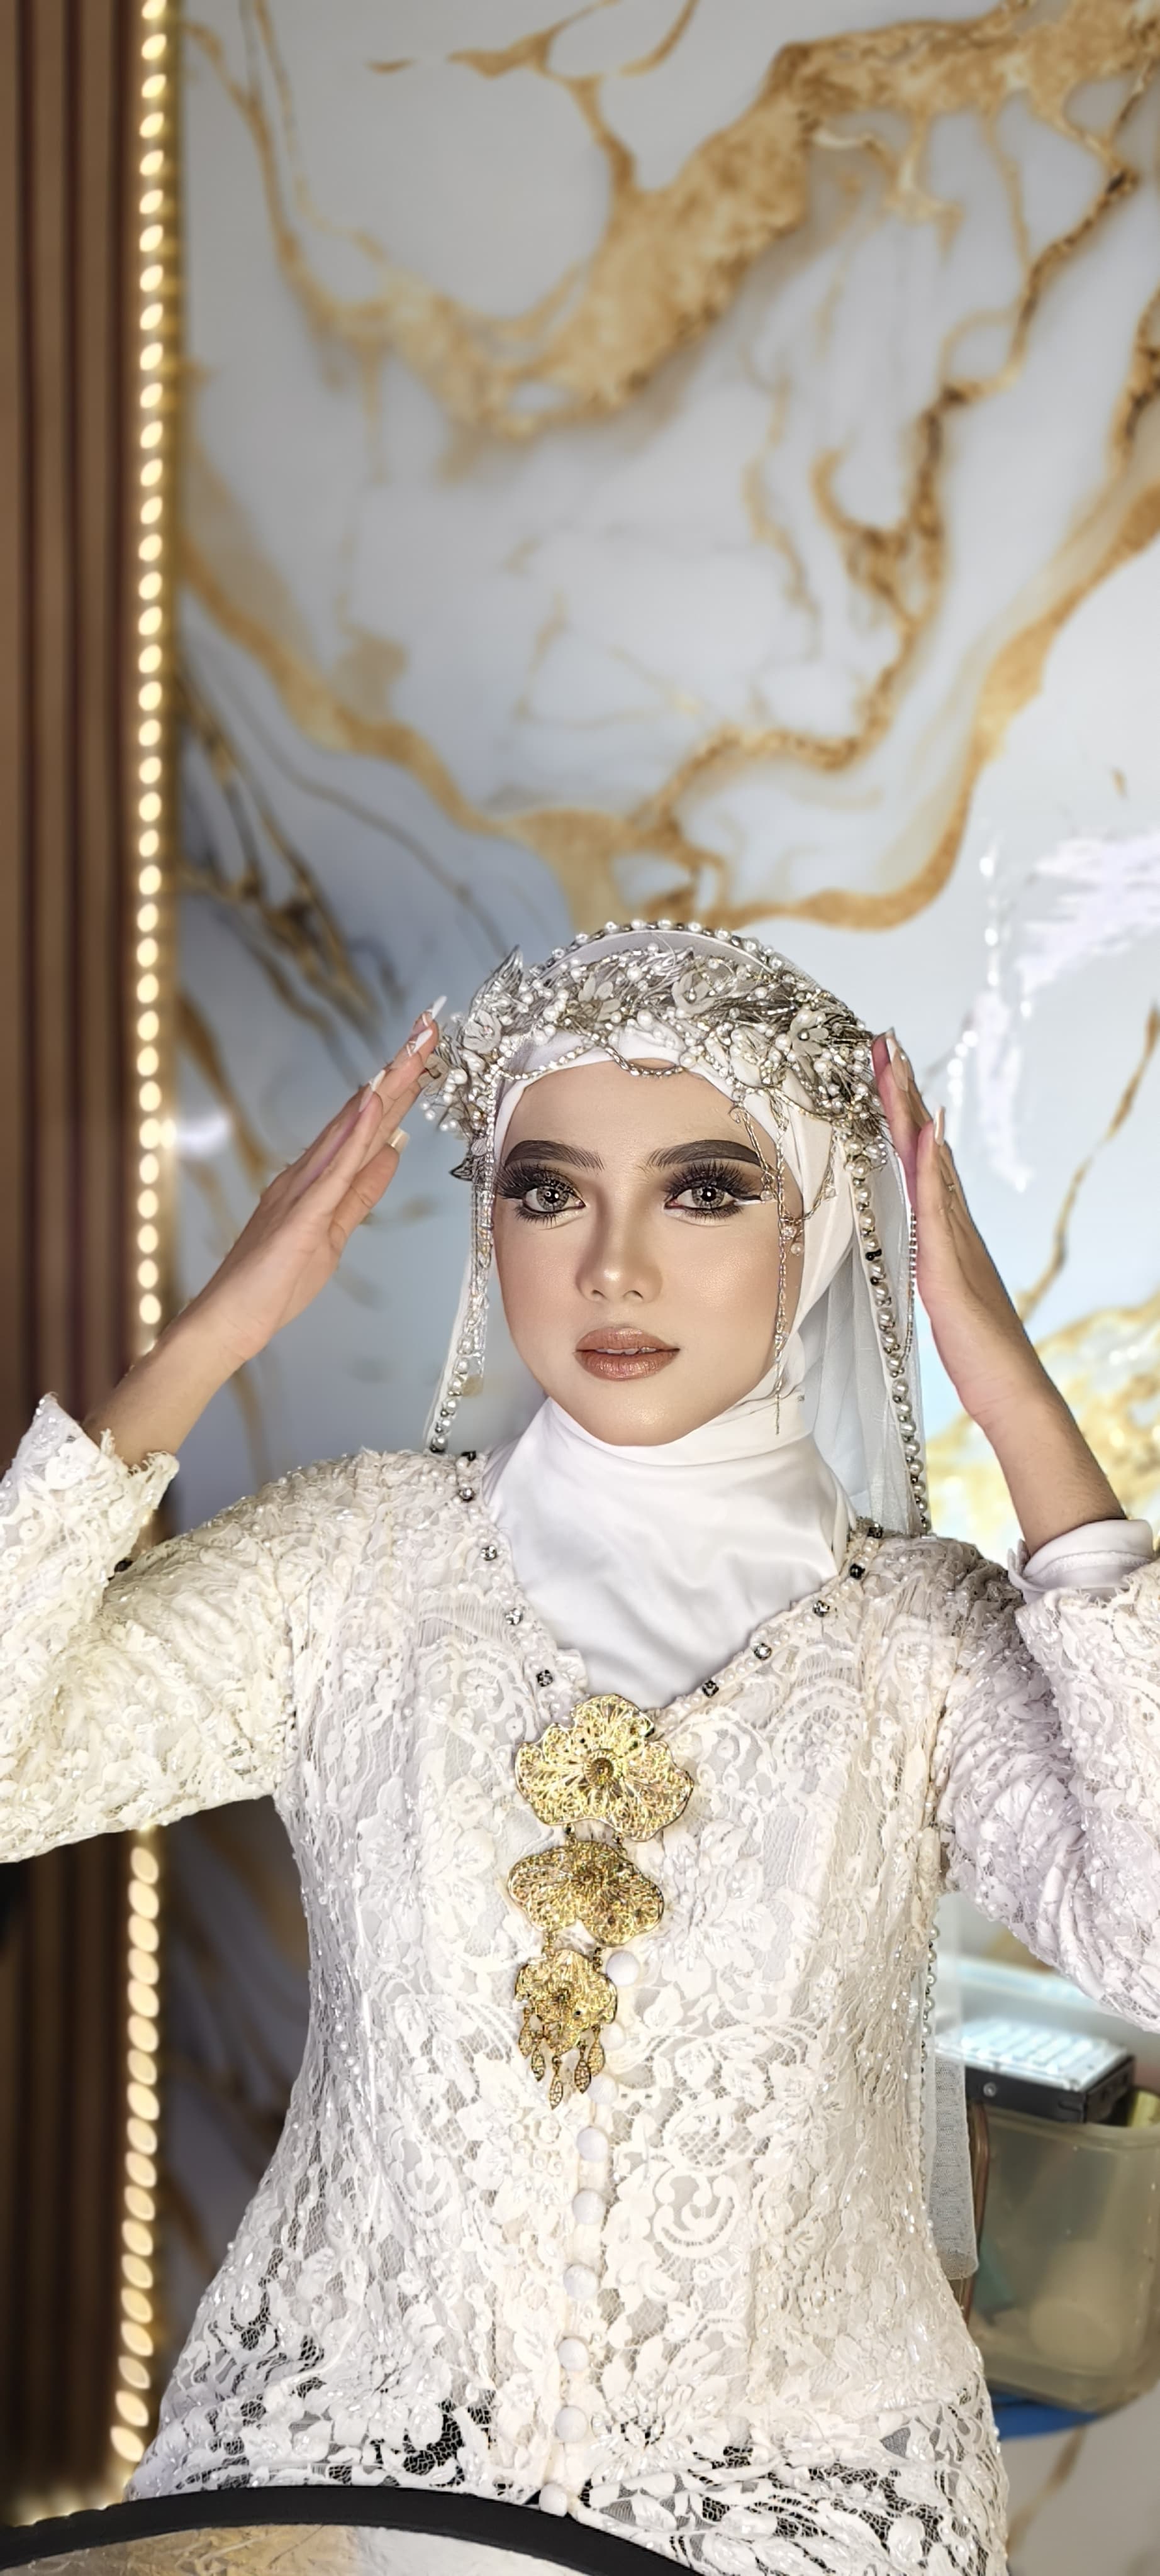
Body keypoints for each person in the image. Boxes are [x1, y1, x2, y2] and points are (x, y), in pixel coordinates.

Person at [1, 921, 1157, 2576]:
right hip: (338, 2474)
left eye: (705, 1191)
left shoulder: (922, 1637)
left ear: (829, 1226)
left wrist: (1021, 1412)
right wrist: (204, 1346)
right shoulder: (354, 1564)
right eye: (548, 1191)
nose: (612, 1268)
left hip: (799, 2510)